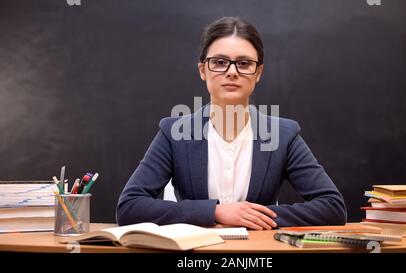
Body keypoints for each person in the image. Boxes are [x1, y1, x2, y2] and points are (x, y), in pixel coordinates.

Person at [116, 17, 347, 229]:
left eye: (244, 63)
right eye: (219, 62)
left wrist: (251, 217)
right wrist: (214, 212)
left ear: (258, 73)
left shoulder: (283, 135)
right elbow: (130, 207)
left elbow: (332, 207)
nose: (232, 72)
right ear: (202, 70)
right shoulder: (174, 132)